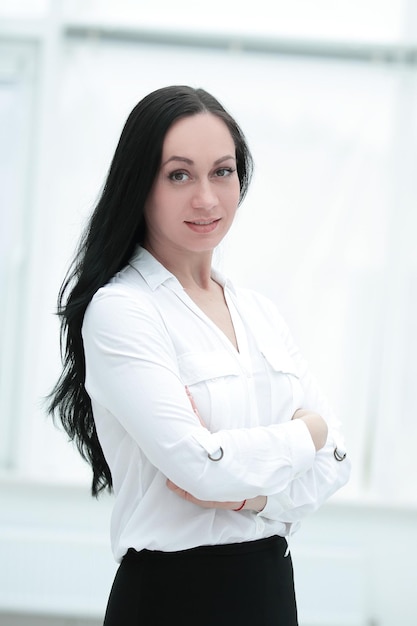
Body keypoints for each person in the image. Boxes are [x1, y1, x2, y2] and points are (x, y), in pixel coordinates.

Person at [47, 85, 351, 626]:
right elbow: (198, 469)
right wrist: (308, 434)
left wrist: (248, 498)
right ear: (140, 185)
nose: (207, 198)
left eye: (223, 172)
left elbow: (336, 465)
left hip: (270, 592)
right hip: (173, 599)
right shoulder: (123, 312)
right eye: (179, 174)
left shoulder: (260, 313)